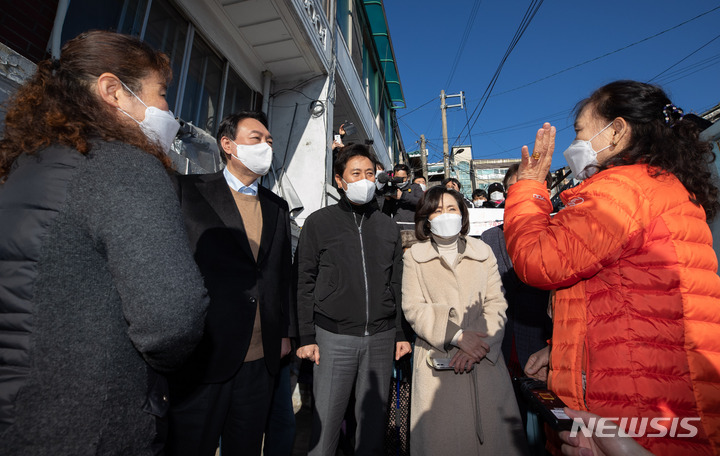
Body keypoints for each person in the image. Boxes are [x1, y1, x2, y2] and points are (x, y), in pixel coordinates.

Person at [0, 30, 209, 455]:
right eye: (161, 93)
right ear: (113, 90)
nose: (168, 109)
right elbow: (172, 319)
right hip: (94, 422)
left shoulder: (23, 166)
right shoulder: (126, 167)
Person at [504, 80, 720, 455]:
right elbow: (622, 298)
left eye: (580, 133)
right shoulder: (664, 188)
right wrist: (561, 352)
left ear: (616, 131)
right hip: (667, 389)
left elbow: (538, 260)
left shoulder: (619, 191)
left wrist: (528, 188)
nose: (575, 146)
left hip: (633, 403)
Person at [166, 111, 293, 456]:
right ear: (228, 145)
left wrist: (284, 332)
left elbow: (282, 275)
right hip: (204, 355)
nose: (266, 146)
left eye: (269, 140)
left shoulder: (278, 207)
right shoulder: (189, 191)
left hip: (260, 359)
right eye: (256, 138)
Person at [296, 144, 412, 456]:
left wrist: (399, 332)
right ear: (339, 180)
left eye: (370, 173)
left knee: (372, 427)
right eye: (356, 173)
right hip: (332, 337)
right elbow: (304, 280)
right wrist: (306, 335)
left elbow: (396, 283)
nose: (364, 179)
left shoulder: (388, 226)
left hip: (381, 337)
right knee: (325, 426)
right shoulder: (319, 223)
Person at [401, 186, 528, 456]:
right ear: (426, 218)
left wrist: (478, 345)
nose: (445, 215)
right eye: (437, 210)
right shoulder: (414, 256)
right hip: (438, 366)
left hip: (485, 361)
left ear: (462, 214)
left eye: (451, 209)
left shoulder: (482, 252)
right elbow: (414, 308)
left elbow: (497, 302)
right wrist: (458, 337)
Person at [382, 163, 423, 227]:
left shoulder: (415, 187)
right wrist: (387, 200)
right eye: (397, 178)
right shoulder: (392, 189)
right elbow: (386, 213)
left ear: (408, 177)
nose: (400, 181)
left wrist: (403, 196)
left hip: (413, 227)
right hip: (397, 228)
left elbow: (422, 202)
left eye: (403, 178)